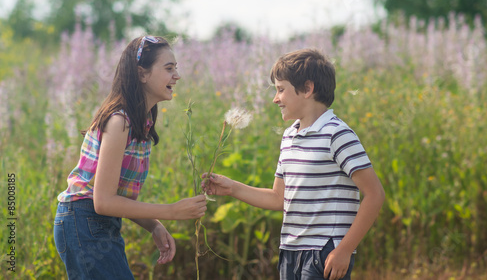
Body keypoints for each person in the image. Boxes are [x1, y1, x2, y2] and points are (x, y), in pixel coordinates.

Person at [203, 48, 385, 280]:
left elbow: (375, 194)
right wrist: (232, 188)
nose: (275, 98)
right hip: (290, 251)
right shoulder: (289, 136)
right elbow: (279, 198)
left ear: (307, 89)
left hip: (324, 252)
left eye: (281, 90)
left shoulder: (337, 134)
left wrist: (345, 249)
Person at [54, 35, 207, 279]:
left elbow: (113, 199)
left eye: (176, 68)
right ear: (142, 74)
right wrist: (172, 211)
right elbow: (102, 201)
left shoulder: (139, 123)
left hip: (94, 223)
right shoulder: (119, 121)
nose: (176, 76)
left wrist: (153, 225)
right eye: (169, 68)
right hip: (83, 222)